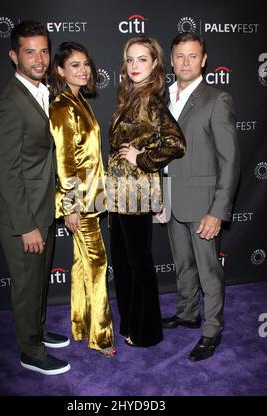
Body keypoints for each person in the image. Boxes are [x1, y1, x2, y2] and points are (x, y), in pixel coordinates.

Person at [0, 20, 70, 375]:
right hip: (23, 218)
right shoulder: (10, 105)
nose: (38, 59)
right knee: (26, 287)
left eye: (43, 50)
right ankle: (31, 351)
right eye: (29, 51)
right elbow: (8, 174)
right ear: (13, 56)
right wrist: (26, 227)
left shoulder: (40, 91)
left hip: (43, 208)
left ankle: (36, 331)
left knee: (37, 283)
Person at [160, 32, 240, 361]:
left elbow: (230, 160)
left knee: (209, 271)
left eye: (193, 56)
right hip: (172, 199)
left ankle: (212, 329)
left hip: (204, 203)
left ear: (203, 60)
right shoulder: (163, 98)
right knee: (183, 265)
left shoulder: (217, 99)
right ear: (171, 60)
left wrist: (217, 211)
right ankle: (188, 313)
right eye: (180, 56)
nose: (186, 62)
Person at [107, 37, 186, 348]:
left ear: (155, 64)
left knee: (138, 264)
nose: (135, 66)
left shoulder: (152, 101)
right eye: (130, 60)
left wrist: (141, 158)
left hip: (137, 195)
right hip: (118, 195)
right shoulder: (130, 96)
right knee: (125, 265)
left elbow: (176, 143)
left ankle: (147, 331)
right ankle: (131, 324)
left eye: (142, 59)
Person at [48, 42, 116, 358]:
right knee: (98, 263)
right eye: (75, 65)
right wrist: (71, 207)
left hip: (92, 197)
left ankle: (80, 324)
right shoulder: (62, 107)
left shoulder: (79, 101)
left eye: (86, 64)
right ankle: (101, 337)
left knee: (80, 263)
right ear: (60, 71)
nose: (83, 70)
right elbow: (65, 161)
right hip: (81, 202)